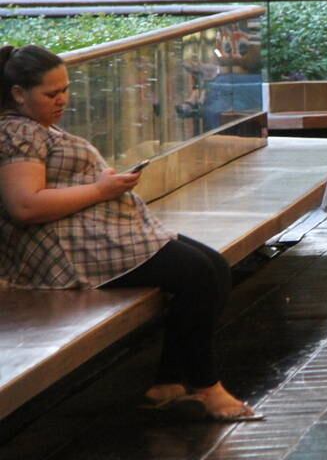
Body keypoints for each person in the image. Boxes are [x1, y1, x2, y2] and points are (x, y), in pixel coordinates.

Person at [0, 45, 259, 421]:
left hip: (92, 235)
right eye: (51, 94)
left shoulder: (37, 126)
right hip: (64, 248)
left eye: (66, 90)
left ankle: (169, 382)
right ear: (18, 94)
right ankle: (206, 387)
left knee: (213, 267)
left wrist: (104, 186)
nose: (62, 100)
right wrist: (101, 190)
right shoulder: (15, 134)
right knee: (199, 274)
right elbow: (25, 206)